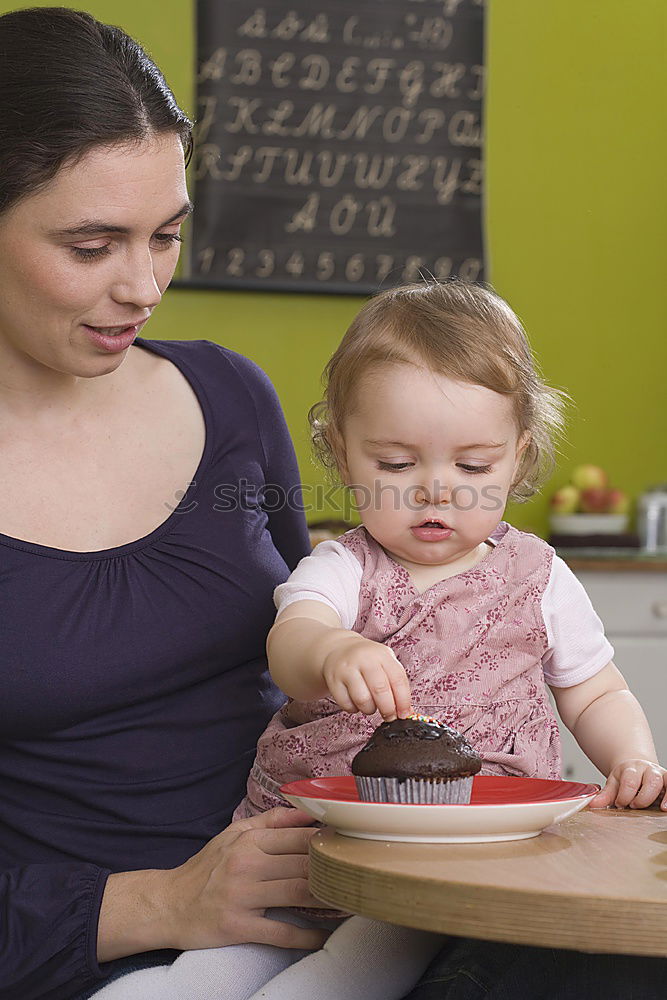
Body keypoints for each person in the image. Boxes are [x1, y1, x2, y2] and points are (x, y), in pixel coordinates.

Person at [0, 8, 329, 1000]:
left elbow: (317, 642)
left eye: (167, 236)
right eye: (92, 246)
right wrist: (162, 904)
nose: (143, 287)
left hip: (324, 920)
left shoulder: (231, 394)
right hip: (94, 960)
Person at [219, 279, 666, 998]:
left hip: (478, 845)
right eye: (395, 465)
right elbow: (292, 641)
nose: (435, 490)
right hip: (326, 833)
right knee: (243, 949)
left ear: (518, 457)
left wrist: (634, 758)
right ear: (341, 452)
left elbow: (594, 691)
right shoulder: (342, 567)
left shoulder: (540, 577)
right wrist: (331, 652)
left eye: (471, 466)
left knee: (384, 944)